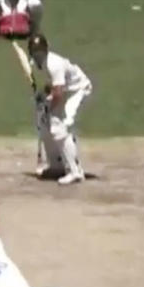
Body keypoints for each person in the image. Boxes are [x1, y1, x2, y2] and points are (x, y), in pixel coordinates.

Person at [27, 34, 93, 185]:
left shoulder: (54, 64)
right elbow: (51, 85)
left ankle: (74, 171)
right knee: (44, 126)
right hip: (64, 90)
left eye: (40, 52)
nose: (38, 55)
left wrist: (47, 107)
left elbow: (58, 92)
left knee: (61, 127)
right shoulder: (36, 63)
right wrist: (43, 95)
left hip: (78, 90)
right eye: (35, 52)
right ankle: (56, 165)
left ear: (45, 50)